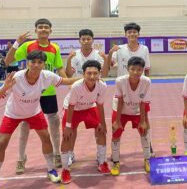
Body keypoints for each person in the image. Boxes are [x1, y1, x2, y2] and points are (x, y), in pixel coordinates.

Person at [0, 50, 79, 189]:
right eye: (33, 62)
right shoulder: (17, 77)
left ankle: (51, 169)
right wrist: (5, 87)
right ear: (27, 63)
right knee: (2, 143)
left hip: (34, 112)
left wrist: (85, 78)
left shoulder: (47, 76)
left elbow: (66, 81)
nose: (36, 65)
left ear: (44, 64)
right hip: (13, 113)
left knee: (46, 137)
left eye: (40, 62)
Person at [4, 18, 67, 173]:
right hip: (29, 91)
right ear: (36, 30)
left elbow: (60, 69)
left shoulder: (55, 48)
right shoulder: (27, 46)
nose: (43, 30)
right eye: (40, 27)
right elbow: (8, 61)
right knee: (25, 125)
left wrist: (69, 84)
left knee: (54, 123)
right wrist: (17, 43)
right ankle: (20, 158)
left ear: (50, 31)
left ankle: (57, 154)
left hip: (48, 91)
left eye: (46, 27)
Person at [60, 60, 109, 184]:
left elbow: (100, 104)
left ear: (99, 74)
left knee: (101, 131)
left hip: (89, 108)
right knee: (67, 136)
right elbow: (71, 106)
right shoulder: (77, 86)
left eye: (95, 73)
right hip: (72, 109)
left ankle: (102, 161)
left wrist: (103, 123)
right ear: (83, 74)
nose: (92, 76)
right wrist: (68, 127)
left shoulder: (102, 86)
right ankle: (65, 169)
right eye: (89, 73)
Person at [109, 22, 154, 155]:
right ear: (125, 34)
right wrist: (111, 52)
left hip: (139, 89)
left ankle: (148, 145)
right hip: (123, 89)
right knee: (118, 121)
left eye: (135, 32)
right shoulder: (119, 49)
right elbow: (110, 65)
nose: (132, 34)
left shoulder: (144, 49)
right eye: (129, 32)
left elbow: (147, 69)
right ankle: (115, 152)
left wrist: (146, 86)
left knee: (145, 120)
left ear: (138, 34)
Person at [110, 56, 152, 176]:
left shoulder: (146, 82)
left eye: (139, 69)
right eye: (132, 69)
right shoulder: (120, 81)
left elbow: (144, 102)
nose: (135, 72)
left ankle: (147, 159)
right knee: (116, 133)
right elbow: (120, 101)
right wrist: (117, 121)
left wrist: (143, 120)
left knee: (144, 131)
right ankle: (116, 162)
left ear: (142, 70)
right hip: (120, 110)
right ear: (128, 69)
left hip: (138, 110)